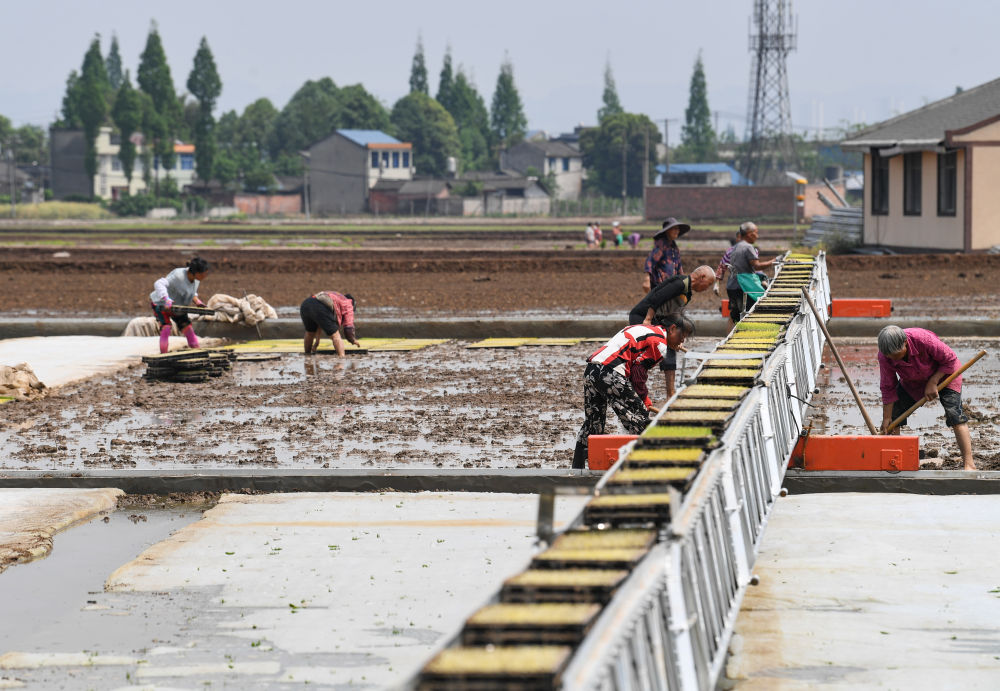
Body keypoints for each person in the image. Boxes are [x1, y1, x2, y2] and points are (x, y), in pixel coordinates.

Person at [572, 313, 695, 469]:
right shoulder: (660, 343)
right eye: (682, 336)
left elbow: (634, 368)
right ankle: (645, 467)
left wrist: (642, 398)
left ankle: (577, 469)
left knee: (593, 423)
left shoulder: (647, 330)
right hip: (611, 373)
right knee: (640, 419)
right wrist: (644, 401)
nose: (682, 341)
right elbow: (638, 374)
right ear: (672, 329)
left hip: (592, 370)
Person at [876, 325, 975, 470]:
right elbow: (888, 386)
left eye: (898, 355)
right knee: (894, 417)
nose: (895, 359)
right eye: (891, 357)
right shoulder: (885, 357)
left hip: (946, 375)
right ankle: (894, 463)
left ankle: (969, 464)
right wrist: (886, 418)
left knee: (954, 414)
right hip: (914, 381)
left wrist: (933, 381)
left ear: (905, 342)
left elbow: (950, 360)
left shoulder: (923, 339)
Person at [628, 266, 715, 398]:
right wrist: (647, 320)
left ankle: (670, 393)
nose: (706, 289)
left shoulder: (687, 293)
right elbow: (657, 297)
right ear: (702, 277)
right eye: (708, 285)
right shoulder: (680, 283)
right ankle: (637, 390)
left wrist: (676, 339)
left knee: (669, 350)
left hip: (657, 320)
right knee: (645, 356)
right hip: (642, 316)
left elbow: (672, 314)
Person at [149, 257, 210, 354]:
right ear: (196, 272)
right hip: (161, 304)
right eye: (205, 273)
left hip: (178, 307)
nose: (206, 275)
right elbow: (159, 283)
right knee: (166, 328)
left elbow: (190, 292)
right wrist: (166, 299)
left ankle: (196, 351)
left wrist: (198, 302)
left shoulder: (196, 280)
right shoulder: (178, 276)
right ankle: (163, 355)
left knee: (187, 328)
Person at [725, 221, 775, 325]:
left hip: (732, 285)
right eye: (756, 233)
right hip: (744, 286)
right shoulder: (748, 247)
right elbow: (756, 266)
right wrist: (773, 262)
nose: (757, 236)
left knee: (737, 316)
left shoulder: (735, 247)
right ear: (749, 234)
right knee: (751, 313)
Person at [300, 291, 359, 357]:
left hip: (306, 304)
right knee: (336, 336)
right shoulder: (348, 303)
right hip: (320, 306)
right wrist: (352, 340)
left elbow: (319, 324)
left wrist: (317, 342)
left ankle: (307, 355)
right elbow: (348, 328)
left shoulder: (337, 297)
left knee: (310, 333)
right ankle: (342, 359)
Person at [643, 217, 690, 292]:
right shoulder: (662, 245)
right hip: (659, 286)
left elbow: (679, 267)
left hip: (671, 286)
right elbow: (650, 261)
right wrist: (646, 279)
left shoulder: (675, 248)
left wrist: (685, 283)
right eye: (674, 229)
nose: (677, 231)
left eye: (677, 229)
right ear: (668, 230)